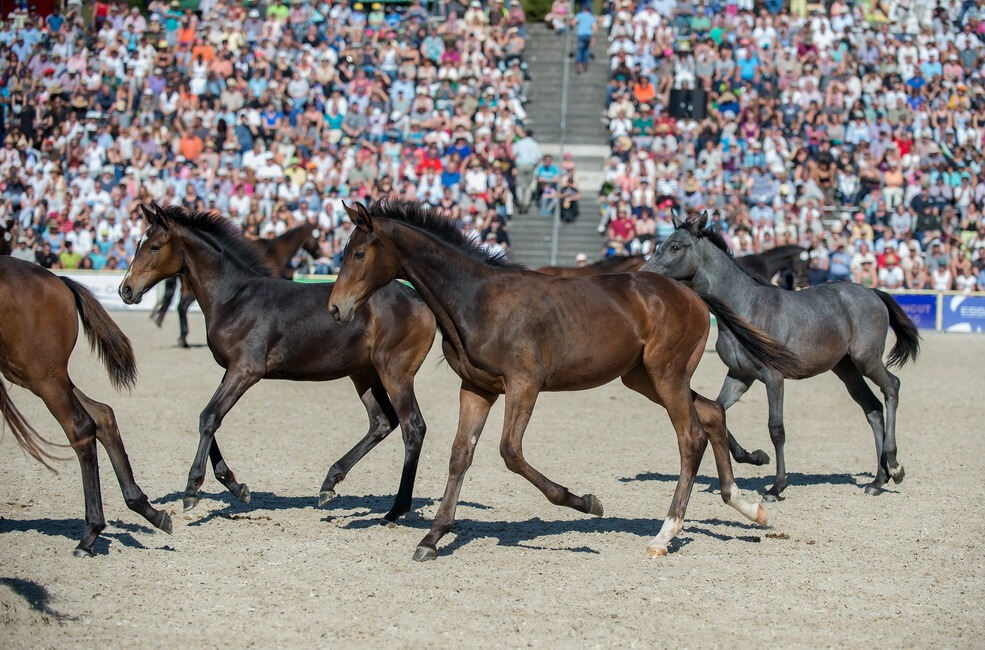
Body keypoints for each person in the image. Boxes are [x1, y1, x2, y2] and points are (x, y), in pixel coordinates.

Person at [573, 5, 596, 75]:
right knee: (586, 50)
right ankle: (585, 63)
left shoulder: (580, 15)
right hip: (588, 35)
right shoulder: (591, 17)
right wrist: (593, 36)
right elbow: (594, 27)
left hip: (581, 35)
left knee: (580, 50)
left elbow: (573, 22)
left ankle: (579, 65)